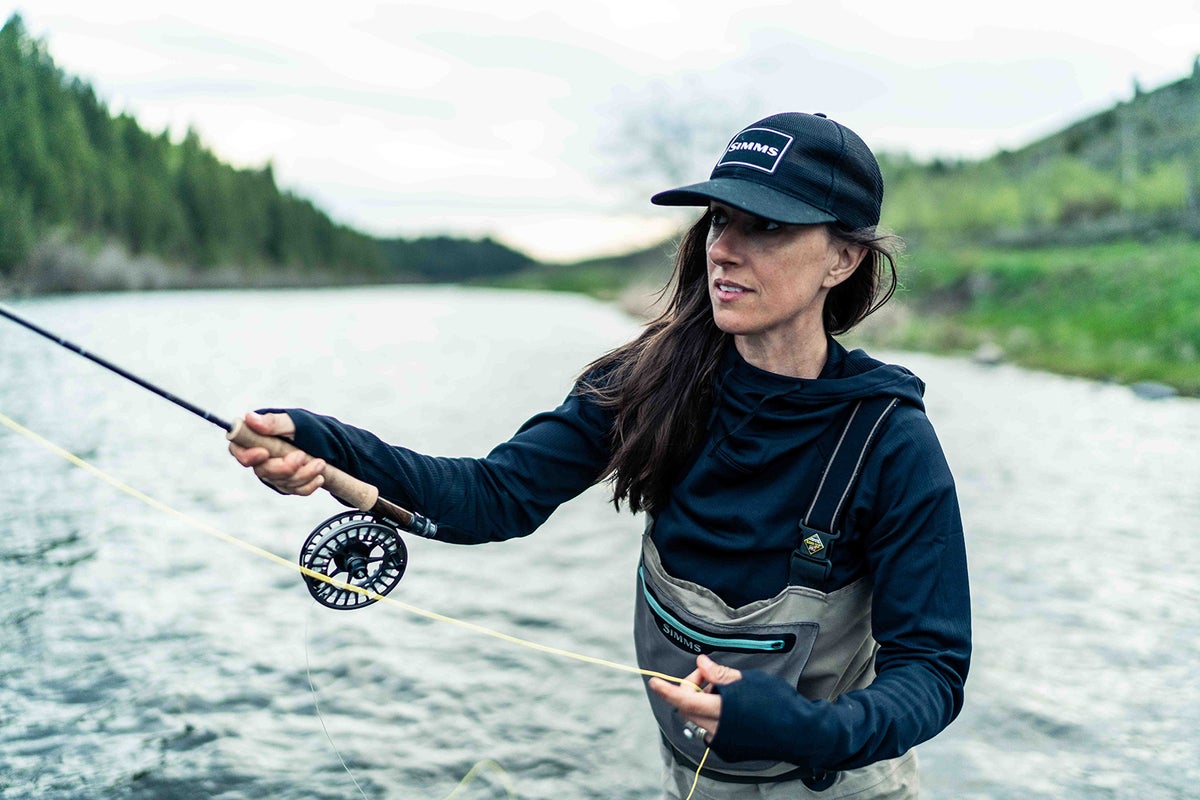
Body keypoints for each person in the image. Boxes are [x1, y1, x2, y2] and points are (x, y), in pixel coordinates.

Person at [230, 112, 971, 799]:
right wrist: (321, 443)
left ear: (841, 259)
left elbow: (932, 673)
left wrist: (807, 730)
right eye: (720, 219)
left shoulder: (891, 440)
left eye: (766, 226)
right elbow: (493, 497)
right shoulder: (646, 382)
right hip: (691, 778)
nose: (724, 246)